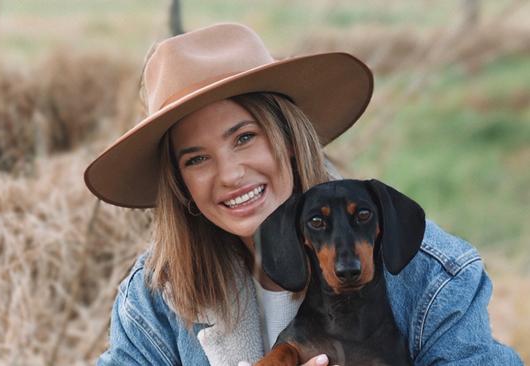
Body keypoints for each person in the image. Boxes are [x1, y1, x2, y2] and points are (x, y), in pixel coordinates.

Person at [84, 23, 522, 366]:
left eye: (244, 138)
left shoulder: (426, 270)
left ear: (289, 140)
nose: (230, 175)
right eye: (196, 159)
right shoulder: (160, 293)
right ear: (180, 183)